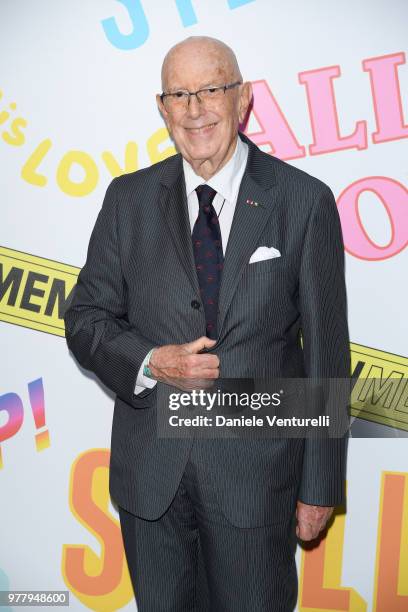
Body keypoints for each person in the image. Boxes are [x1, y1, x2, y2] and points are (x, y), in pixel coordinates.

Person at [64, 36, 350, 612]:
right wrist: (150, 361)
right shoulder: (128, 201)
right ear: (162, 108)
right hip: (153, 488)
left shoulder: (304, 201)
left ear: (241, 99)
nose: (195, 110)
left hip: (255, 486)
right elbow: (86, 319)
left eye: (211, 89)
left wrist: (320, 486)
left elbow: (325, 352)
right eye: (179, 95)